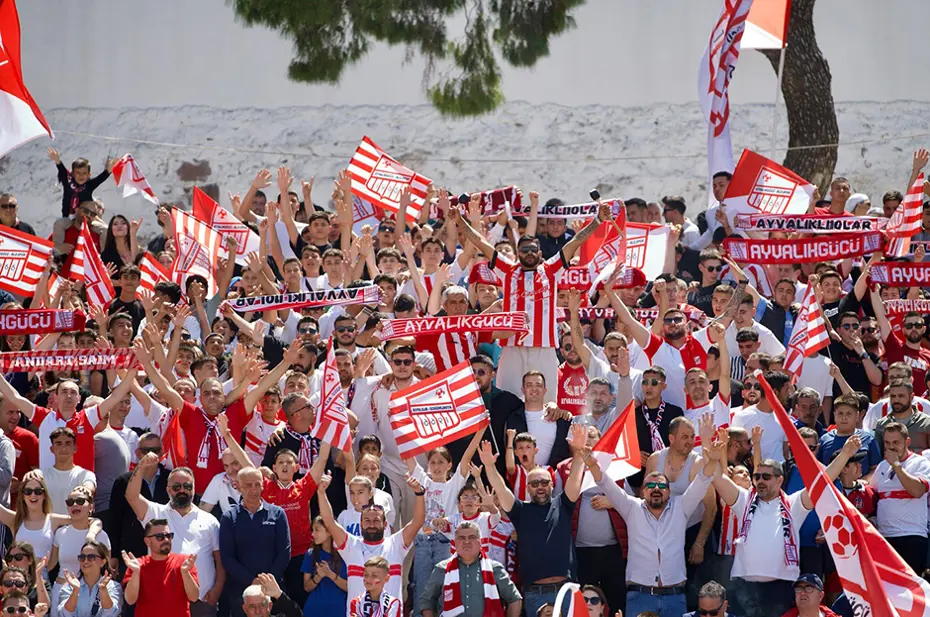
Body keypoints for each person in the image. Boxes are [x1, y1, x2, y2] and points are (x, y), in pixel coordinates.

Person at [447, 196, 612, 401]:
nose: (530, 253)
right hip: (512, 347)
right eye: (525, 249)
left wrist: (598, 221)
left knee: (547, 401)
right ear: (518, 253)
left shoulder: (551, 270)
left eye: (534, 249)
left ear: (540, 252)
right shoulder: (507, 270)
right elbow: (480, 242)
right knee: (507, 400)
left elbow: (575, 242)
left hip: (544, 347)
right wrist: (460, 221)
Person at [703, 428, 860, 617]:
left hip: (781, 590)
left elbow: (821, 482)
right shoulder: (743, 500)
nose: (760, 481)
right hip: (743, 589)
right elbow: (717, 478)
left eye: (766, 477)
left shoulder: (794, 504)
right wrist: (708, 449)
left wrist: (845, 454)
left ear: (779, 480)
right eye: (757, 477)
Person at [585, 414, 713, 617]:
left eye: (662, 485)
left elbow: (704, 478)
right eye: (650, 485)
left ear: (669, 492)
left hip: (674, 596)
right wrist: (592, 464)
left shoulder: (682, 507)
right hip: (640, 596)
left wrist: (710, 453)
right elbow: (606, 484)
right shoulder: (631, 507)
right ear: (643, 491)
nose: (656, 489)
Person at [478, 425, 587, 617]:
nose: (540, 487)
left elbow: (575, 479)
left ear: (552, 484)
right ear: (527, 488)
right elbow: (501, 489)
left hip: (565, 591)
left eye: (544, 482)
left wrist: (578, 453)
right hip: (535, 594)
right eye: (535, 483)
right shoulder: (520, 510)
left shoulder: (563, 504)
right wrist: (489, 466)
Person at [126, 454, 224, 617]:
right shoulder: (155, 513)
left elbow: (220, 561)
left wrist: (217, 589)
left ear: (193, 488)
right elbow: (131, 496)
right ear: (168, 489)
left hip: (201, 600)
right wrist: (141, 466)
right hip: (163, 600)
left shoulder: (210, 520)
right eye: (177, 487)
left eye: (187, 486)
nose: (182, 490)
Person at [316, 470, 425, 611]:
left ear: (385, 524)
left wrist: (419, 493)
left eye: (376, 520)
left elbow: (418, 521)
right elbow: (329, 522)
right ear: (360, 524)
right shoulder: (351, 545)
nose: (372, 524)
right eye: (367, 520)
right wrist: (321, 493)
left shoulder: (396, 544)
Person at [219, 467, 290, 617]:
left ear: (263, 485)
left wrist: (266, 582)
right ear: (238, 486)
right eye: (248, 485)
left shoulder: (277, 514)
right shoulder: (229, 517)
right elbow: (227, 557)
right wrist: (251, 581)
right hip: (240, 592)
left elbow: (284, 552)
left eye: (257, 484)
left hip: (273, 588)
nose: (253, 489)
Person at [420, 521, 522, 617]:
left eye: (472, 537)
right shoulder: (442, 569)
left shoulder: (495, 569)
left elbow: (514, 599)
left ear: (480, 541)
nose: (467, 541)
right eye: (461, 538)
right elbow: (427, 601)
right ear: (455, 542)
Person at [870, 422, 930, 573]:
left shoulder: (920, 463)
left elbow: (917, 490)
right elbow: (871, 491)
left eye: (896, 442)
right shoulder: (882, 466)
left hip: (912, 535)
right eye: (887, 443)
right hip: (885, 537)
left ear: (907, 442)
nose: (891, 447)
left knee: (910, 590)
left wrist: (896, 464)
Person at [108, 433, 169, 574]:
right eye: (146, 451)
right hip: (132, 550)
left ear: (162, 452)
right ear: (137, 453)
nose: (150, 455)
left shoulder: (170, 479)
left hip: (164, 549)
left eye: (155, 450)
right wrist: (114, 554)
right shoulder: (123, 481)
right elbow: (115, 520)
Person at [122, 519, 199, 617]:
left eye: (168, 536)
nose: (166, 540)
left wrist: (185, 573)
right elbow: (130, 600)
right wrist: (136, 572)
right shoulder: (137, 565)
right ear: (147, 541)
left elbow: (194, 597)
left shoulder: (185, 562)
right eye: (160, 537)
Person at [56, 541, 121, 617]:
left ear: (103, 562)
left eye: (91, 557)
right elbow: (64, 614)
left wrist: (103, 590)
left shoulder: (113, 586)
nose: (86, 561)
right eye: (82, 557)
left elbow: (111, 613)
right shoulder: (70, 587)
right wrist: (75, 592)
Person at [41, 428, 96, 516]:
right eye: (58, 444)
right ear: (52, 449)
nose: (63, 448)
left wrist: (86, 489)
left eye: (68, 443)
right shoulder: (41, 475)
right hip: (49, 527)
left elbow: (89, 487)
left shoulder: (86, 475)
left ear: (75, 448)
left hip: (76, 527)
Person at [300, 516, 347, 617]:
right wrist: (318, 577)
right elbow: (307, 588)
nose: (313, 534)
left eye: (317, 530)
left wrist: (330, 574)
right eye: (312, 530)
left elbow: (351, 587)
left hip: (339, 611)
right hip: (314, 611)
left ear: (330, 531)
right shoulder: (310, 554)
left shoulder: (345, 554)